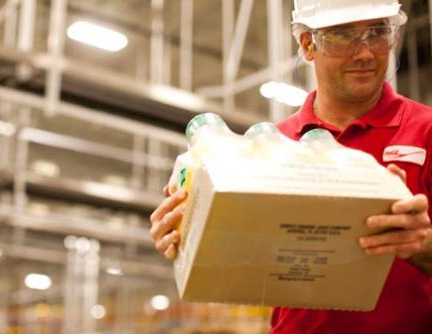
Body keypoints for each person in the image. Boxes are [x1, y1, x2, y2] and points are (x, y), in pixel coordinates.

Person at [149, 0, 432, 333]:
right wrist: (184, 234)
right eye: (342, 36)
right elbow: (245, 254)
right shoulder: (272, 146)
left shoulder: (425, 131)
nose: (365, 53)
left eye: (377, 33)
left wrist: (423, 245)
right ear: (307, 45)